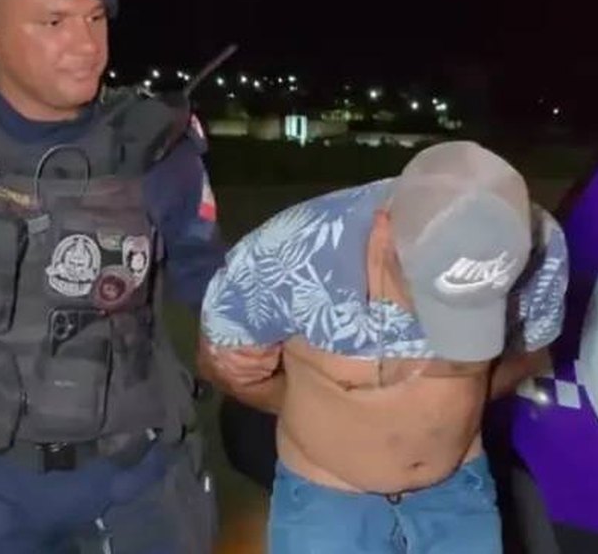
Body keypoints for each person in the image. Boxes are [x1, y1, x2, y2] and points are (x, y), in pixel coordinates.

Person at [0, 0, 225, 553]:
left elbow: (215, 288)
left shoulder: (154, 149)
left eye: (95, 19)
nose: (86, 46)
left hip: (133, 483)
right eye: (54, 21)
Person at [197, 141, 569, 553]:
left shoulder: (540, 248)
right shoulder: (287, 256)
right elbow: (217, 366)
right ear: (384, 231)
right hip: (328, 505)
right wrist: (323, 411)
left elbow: (533, 354)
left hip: (458, 496)